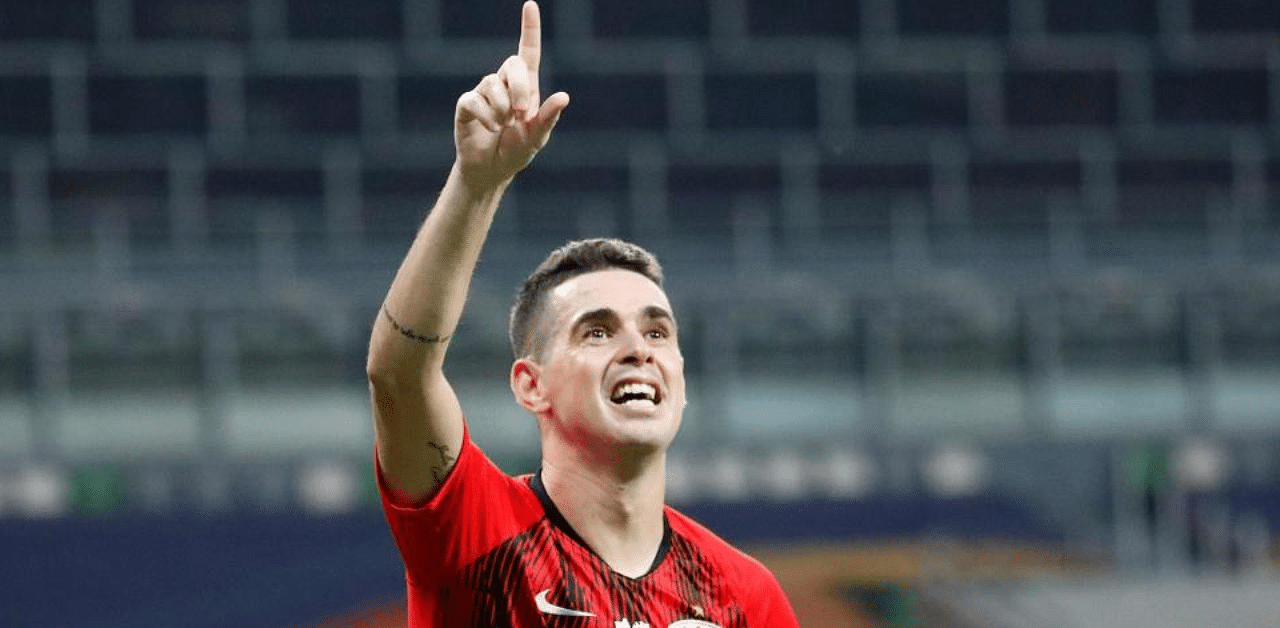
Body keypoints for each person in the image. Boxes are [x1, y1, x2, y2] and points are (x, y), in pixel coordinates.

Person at [365, 3, 800, 626]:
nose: (639, 349)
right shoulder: (478, 534)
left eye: (657, 330)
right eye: (597, 331)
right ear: (530, 384)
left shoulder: (745, 595)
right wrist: (477, 185)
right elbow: (399, 375)